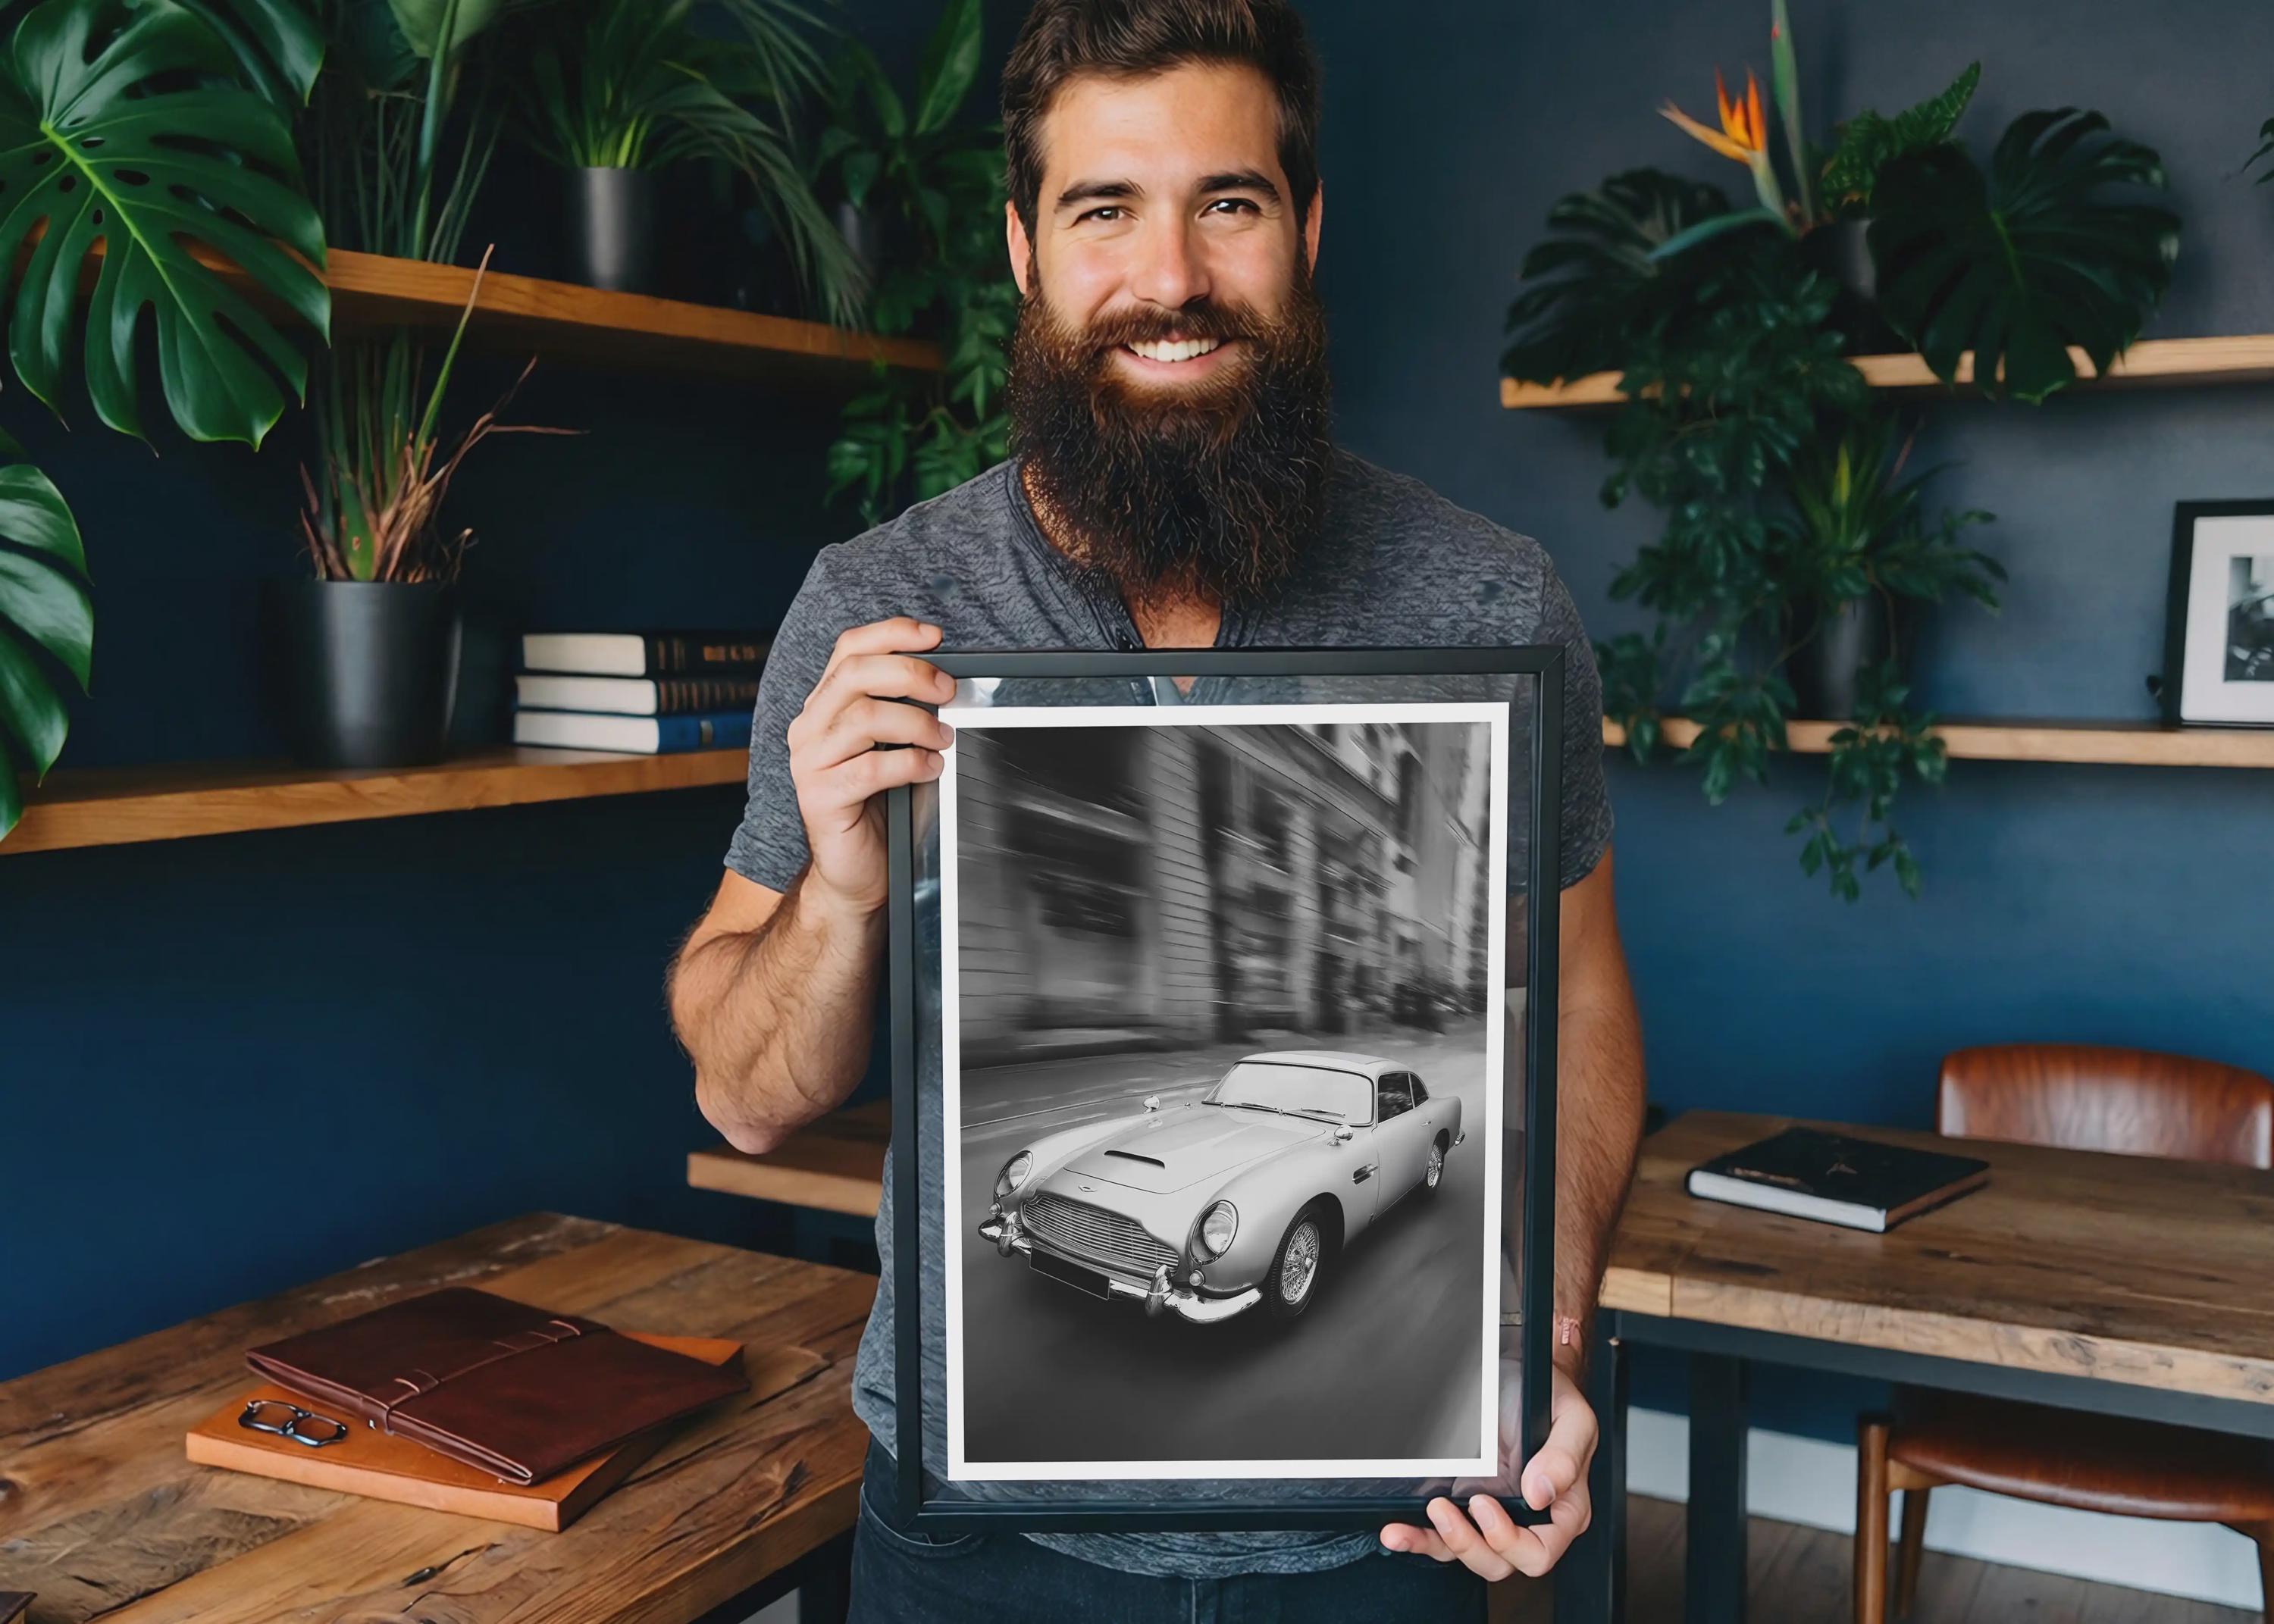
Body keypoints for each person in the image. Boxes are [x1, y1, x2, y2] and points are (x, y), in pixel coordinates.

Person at [666, 1, 1646, 1617]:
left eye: (1230, 203)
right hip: (977, 1539)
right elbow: (750, 1098)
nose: (1172, 276)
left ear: (1306, 229)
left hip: (1380, 1531)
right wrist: (839, 894)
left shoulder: (1490, 601)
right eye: (1105, 208)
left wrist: (1534, 1356)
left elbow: (1582, 992)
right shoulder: (882, 607)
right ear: (1024, 250)